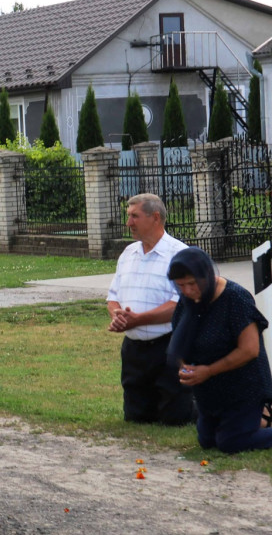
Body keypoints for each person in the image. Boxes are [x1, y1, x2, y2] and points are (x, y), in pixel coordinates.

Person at [167, 246, 272, 452]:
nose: (187, 290)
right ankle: (258, 420)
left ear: (206, 275)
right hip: (210, 391)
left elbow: (250, 350)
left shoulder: (235, 298)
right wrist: (185, 367)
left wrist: (209, 370)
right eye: (181, 285)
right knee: (208, 441)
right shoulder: (188, 301)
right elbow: (179, 343)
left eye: (191, 283)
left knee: (231, 442)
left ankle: (262, 415)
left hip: (243, 387)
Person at [106, 193, 193, 425]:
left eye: (135, 216)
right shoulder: (128, 254)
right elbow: (113, 296)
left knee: (175, 419)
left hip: (168, 346)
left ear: (155, 217)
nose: (129, 223)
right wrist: (118, 317)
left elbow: (180, 305)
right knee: (137, 418)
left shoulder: (179, 255)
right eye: (128, 216)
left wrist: (138, 319)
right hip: (134, 351)